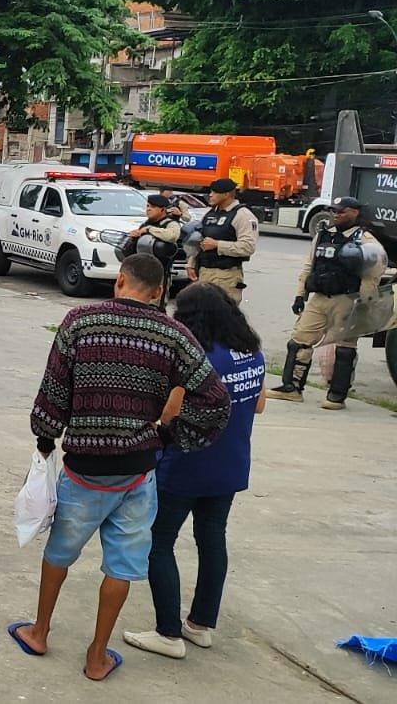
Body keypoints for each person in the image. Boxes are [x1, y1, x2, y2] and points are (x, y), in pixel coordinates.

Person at [9, 254, 229, 681]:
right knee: (121, 566)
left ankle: (39, 632)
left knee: (59, 553)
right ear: (159, 291)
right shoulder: (175, 335)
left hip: (83, 468)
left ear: (120, 280)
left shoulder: (79, 321)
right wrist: (169, 435)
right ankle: (96, 655)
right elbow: (215, 399)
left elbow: (54, 388)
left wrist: (45, 437)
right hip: (138, 470)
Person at [123, 282, 266, 660]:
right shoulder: (251, 352)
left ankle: (168, 633)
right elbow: (261, 405)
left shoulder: (196, 359)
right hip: (231, 463)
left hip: (187, 462)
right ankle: (201, 625)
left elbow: (170, 411)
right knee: (212, 538)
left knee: (159, 541)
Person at [271, 197, 382, 408]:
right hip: (319, 298)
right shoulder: (323, 235)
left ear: (356, 213)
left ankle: (337, 396)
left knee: (345, 347)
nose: (337, 214)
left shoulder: (365, 240)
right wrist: (299, 295)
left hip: (347, 299)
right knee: (299, 341)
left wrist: (364, 303)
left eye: (342, 211)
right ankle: (292, 388)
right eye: (334, 211)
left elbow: (373, 274)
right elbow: (309, 266)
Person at [186, 178, 257, 304]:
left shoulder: (242, 215)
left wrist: (218, 245)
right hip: (204, 272)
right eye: (210, 192)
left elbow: (248, 247)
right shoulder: (210, 214)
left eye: (215, 192)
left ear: (227, 194)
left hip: (226, 275)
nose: (211, 195)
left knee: (222, 316)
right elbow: (198, 239)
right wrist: (191, 263)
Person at [120, 195, 183, 303]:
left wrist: (150, 230)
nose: (148, 209)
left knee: (155, 304)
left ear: (162, 209)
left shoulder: (170, 223)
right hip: (140, 272)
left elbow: (172, 236)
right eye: (147, 206)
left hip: (159, 273)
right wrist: (133, 239)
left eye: (153, 207)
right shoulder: (145, 224)